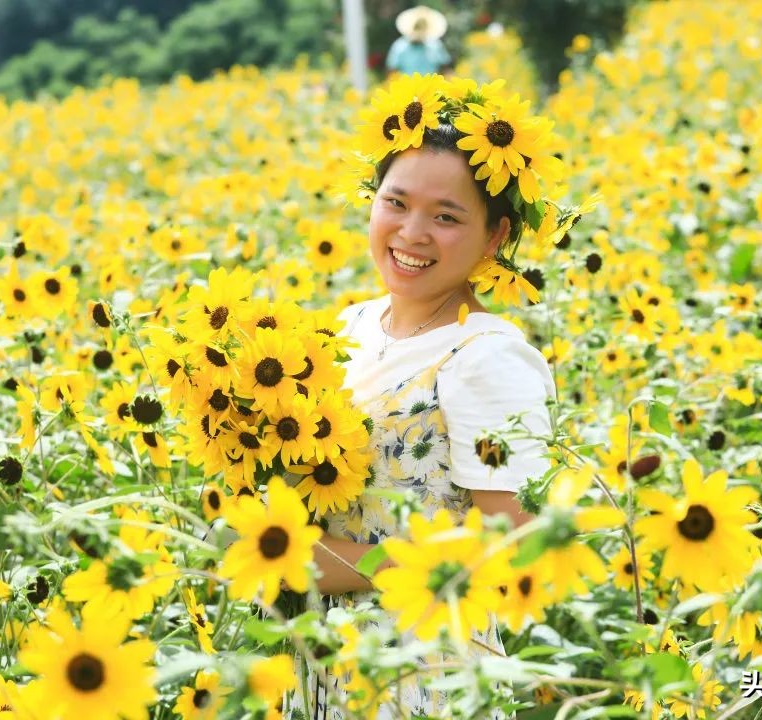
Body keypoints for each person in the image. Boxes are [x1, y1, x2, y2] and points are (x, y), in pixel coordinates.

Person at [290, 75, 573, 720]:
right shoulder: (347, 329)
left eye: (446, 217)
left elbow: (516, 545)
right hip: (321, 666)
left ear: (495, 238)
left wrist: (343, 564)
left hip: (424, 674)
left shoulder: (488, 359)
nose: (412, 233)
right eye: (396, 202)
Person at [386, 5, 452, 76]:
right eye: (417, 26)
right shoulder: (400, 46)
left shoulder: (435, 45)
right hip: (407, 85)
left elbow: (446, 68)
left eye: (423, 26)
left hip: (430, 85)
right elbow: (391, 70)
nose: (419, 30)